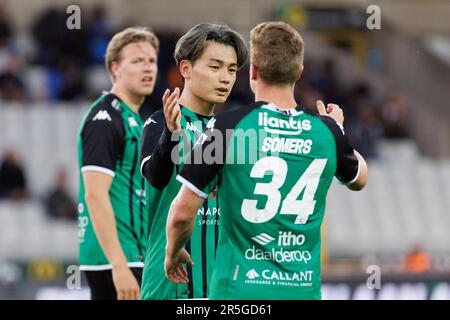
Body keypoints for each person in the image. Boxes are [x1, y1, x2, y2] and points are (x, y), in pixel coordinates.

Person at [164, 21, 368, 300]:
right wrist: (338, 129)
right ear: (299, 72)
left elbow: (181, 214)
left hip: (238, 293)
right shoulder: (327, 132)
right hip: (302, 292)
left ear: (254, 72)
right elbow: (360, 179)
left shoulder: (226, 128)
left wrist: (172, 253)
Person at [139, 23, 248, 299]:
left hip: (220, 288)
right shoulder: (157, 123)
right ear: (185, 69)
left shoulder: (230, 131)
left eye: (232, 69)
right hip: (170, 287)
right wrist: (171, 135)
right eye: (215, 67)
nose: (225, 78)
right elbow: (156, 176)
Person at [77, 27, 159, 300]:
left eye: (151, 60)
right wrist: (119, 266)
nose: (147, 68)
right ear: (116, 68)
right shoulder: (105, 118)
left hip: (136, 253)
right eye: (137, 61)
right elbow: (95, 194)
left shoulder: (134, 119)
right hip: (117, 260)